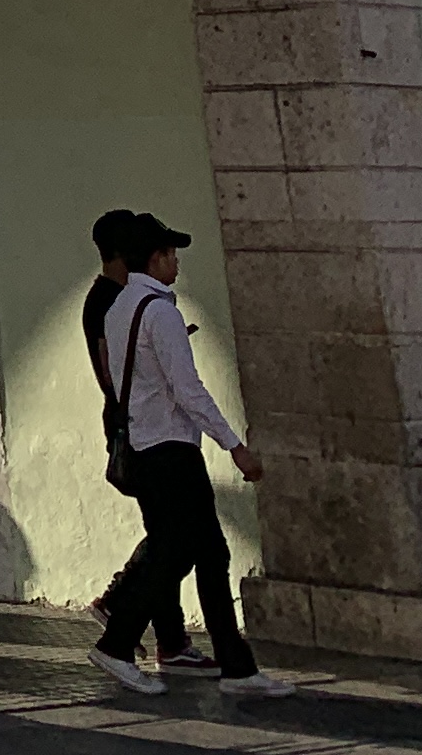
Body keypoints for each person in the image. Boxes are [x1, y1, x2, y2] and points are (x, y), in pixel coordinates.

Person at [89, 213, 295, 700]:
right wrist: (235, 446)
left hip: (146, 445)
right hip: (171, 449)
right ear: (154, 258)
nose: (177, 262)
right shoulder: (159, 313)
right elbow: (188, 390)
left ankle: (237, 666)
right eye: (171, 254)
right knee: (178, 551)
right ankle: (117, 643)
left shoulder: (120, 309)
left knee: (205, 552)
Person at [81, 213, 208, 675]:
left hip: (138, 425)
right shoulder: (110, 302)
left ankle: (169, 639)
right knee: (171, 534)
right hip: (139, 430)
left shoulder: (117, 298)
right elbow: (108, 369)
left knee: (166, 531)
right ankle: (122, 603)